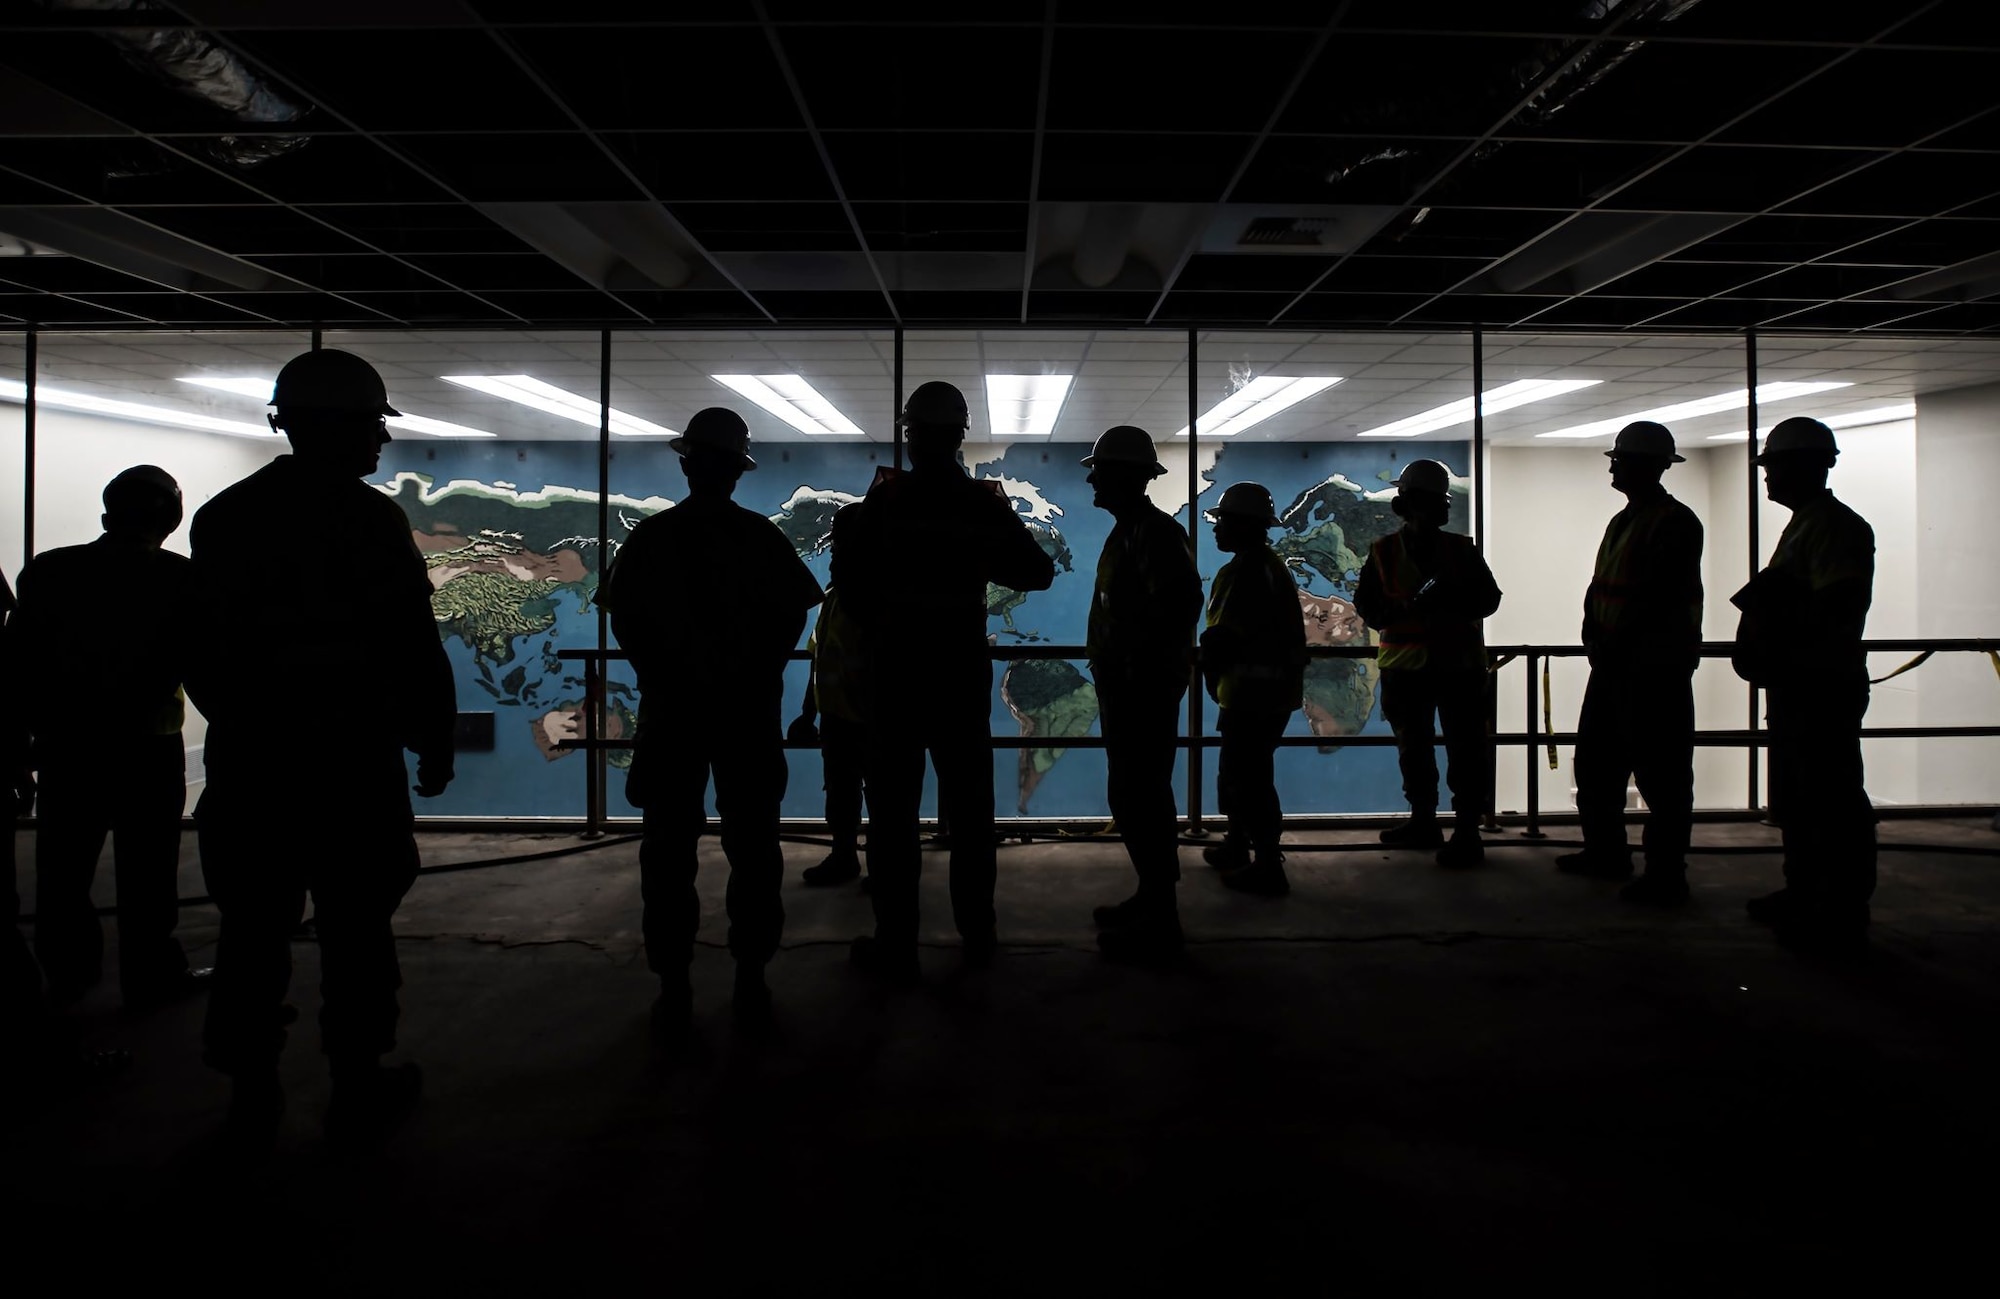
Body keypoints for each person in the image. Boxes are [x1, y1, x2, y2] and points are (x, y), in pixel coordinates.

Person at [187, 348, 456, 1137]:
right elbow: (412, 643)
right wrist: (430, 740)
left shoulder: (226, 516)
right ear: (334, 426)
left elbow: (203, 648)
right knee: (357, 928)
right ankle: (355, 1076)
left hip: (255, 765)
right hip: (351, 764)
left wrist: (246, 725)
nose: (381, 440)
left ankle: (250, 1088)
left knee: (251, 930)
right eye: (373, 423)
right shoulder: (369, 520)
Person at [601, 408, 823, 1041]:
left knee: (667, 853)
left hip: (671, 717)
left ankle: (674, 987)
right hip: (746, 719)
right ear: (736, 471)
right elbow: (791, 622)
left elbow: (626, 622)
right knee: (754, 850)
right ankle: (750, 977)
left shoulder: (650, 539)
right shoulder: (759, 538)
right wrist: (754, 675)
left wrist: (660, 676)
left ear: (686, 463)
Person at [834, 381, 1055, 983]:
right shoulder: (981, 506)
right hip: (958, 676)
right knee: (972, 813)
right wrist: (978, 559)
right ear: (959, 437)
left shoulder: (883, 505)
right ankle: (977, 934)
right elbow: (1036, 573)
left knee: (892, 816)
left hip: (896, 677)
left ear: (910, 436)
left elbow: (848, 589)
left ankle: (896, 942)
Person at [12, 466, 208, 1010]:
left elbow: (18, 665)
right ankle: (149, 974)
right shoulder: (179, 579)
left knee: (63, 869)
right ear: (172, 520)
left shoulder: (49, 573)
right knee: (148, 870)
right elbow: (200, 665)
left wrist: (18, 745)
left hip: (68, 744)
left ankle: (69, 978)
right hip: (149, 744)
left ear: (106, 517)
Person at [1731, 416, 1877, 953]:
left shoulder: (1835, 528)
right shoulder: (1810, 523)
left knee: (1829, 799)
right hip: (1801, 680)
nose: (1767, 478)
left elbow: (1833, 608)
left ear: (1808, 467)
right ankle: (1806, 892)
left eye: (1774, 467)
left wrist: (1779, 638)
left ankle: (1839, 909)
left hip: (1818, 681)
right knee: (1801, 794)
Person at [1557, 422, 1704, 904]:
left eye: (1620, 460)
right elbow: (1603, 584)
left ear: (1648, 466)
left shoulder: (1674, 522)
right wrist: (1594, 634)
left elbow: (1658, 596)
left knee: (1661, 776)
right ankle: (1606, 852)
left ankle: (1666, 874)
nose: (1613, 467)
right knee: (1598, 766)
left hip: (1652, 668)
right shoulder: (1626, 519)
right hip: (1616, 663)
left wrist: (1612, 641)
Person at [1079, 427, 1202, 958]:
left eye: (1100, 471)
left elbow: (1177, 607)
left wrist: (1134, 663)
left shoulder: (1152, 534)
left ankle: (1162, 918)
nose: (1091, 479)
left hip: (1141, 689)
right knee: (1133, 794)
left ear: (1127, 477)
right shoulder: (1133, 530)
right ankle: (1152, 898)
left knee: (1143, 796)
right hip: (1129, 685)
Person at [1354, 459, 1502, 868]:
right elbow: (1368, 606)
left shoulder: (1460, 551)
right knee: (1415, 752)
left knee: (1464, 754)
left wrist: (1449, 600)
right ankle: (1426, 822)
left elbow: (1488, 599)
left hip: (1453, 671)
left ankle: (1467, 832)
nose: (1441, 509)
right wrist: (1403, 606)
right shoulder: (1384, 552)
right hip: (1414, 671)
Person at [1199, 482, 1307, 897]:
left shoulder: (1242, 572)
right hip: (1268, 693)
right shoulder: (1268, 566)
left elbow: (1222, 637)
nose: (1216, 529)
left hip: (1251, 695)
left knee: (1249, 778)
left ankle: (1265, 863)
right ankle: (1238, 845)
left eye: (1222, 520)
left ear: (1242, 525)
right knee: (1243, 773)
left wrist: (1205, 664)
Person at [790, 506, 869, 889]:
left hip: (873, 716)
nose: (835, 554)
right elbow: (818, 658)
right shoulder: (834, 599)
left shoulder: (876, 600)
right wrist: (809, 714)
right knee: (842, 790)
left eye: (842, 545)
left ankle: (869, 861)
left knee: (877, 794)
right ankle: (846, 856)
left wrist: (810, 713)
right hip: (839, 715)